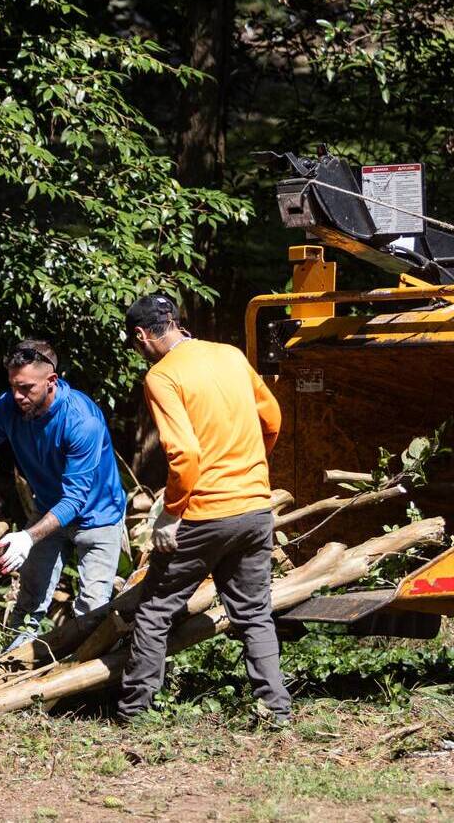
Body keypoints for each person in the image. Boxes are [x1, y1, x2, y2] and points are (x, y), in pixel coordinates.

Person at [115, 294, 289, 723]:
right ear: (174, 322)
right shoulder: (229, 355)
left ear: (141, 336)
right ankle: (277, 710)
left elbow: (186, 454)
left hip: (205, 512)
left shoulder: (162, 376)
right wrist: (251, 469)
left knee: (155, 609)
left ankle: (134, 713)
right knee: (253, 613)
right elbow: (273, 419)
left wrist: (171, 512)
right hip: (254, 507)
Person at [0, 339, 128, 652]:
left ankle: (83, 689)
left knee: (92, 612)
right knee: (28, 603)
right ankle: (7, 674)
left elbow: (75, 500)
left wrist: (27, 538)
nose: (17, 396)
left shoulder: (81, 421)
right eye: (13, 386)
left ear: (51, 382)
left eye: (26, 388)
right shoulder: (9, 407)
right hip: (48, 509)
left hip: (97, 516)